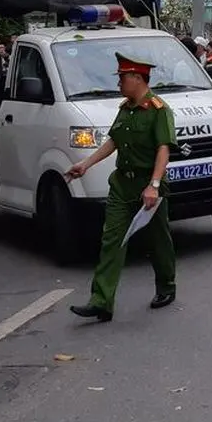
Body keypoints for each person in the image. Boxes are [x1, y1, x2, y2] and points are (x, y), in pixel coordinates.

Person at [68, 54, 178, 321]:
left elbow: (164, 149)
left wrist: (153, 185)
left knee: (157, 240)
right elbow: (114, 141)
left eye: (122, 78)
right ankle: (101, 301)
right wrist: (86, 164)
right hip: (122, 185)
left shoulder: (159, 110)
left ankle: (166, 286)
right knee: (111, 241)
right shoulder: (125, 108)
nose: (118, 83)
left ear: (137, 78)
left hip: (148, 185)